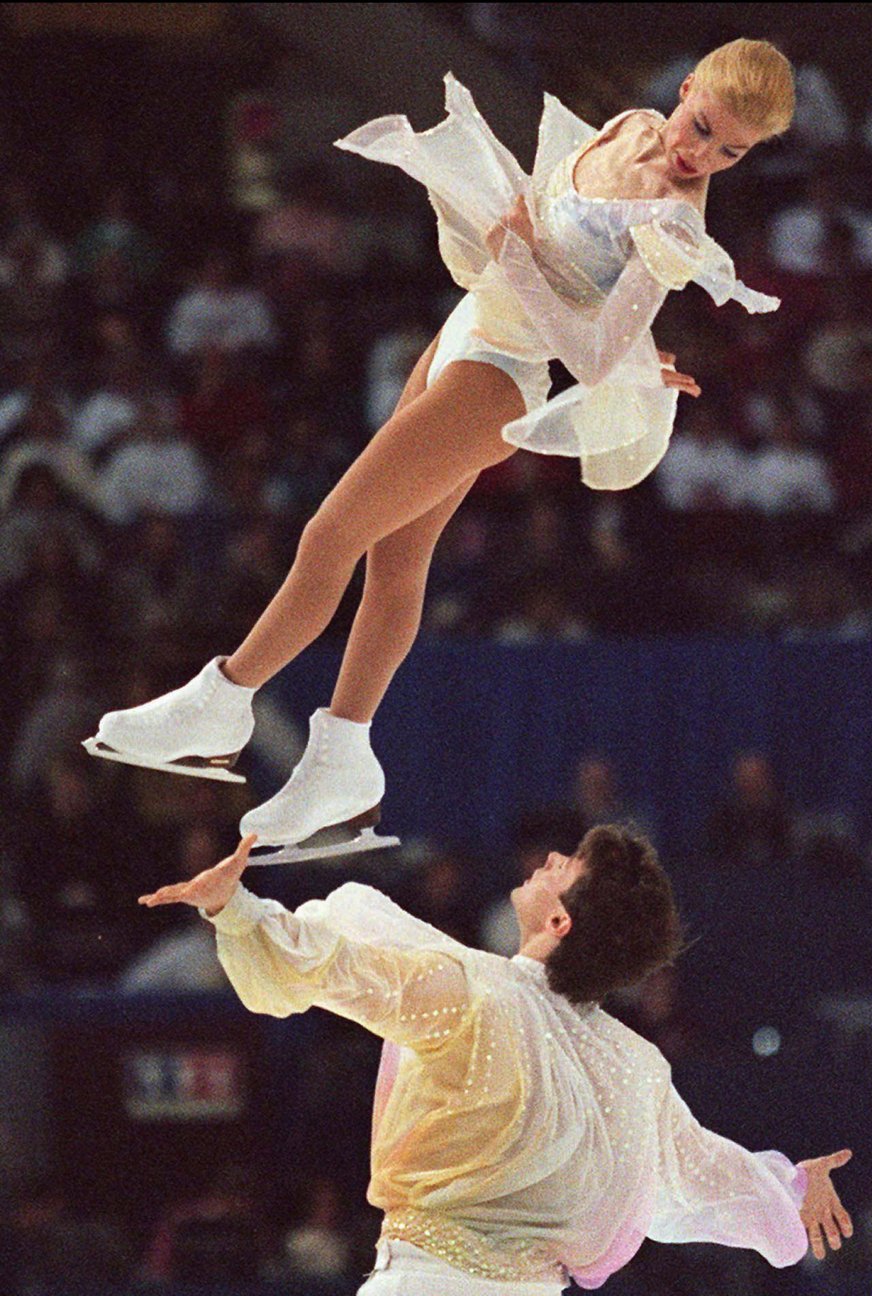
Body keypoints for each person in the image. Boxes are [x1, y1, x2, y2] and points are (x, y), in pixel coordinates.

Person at [92, 40, 794, 857]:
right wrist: (544, 278)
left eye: (729, 152)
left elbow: (592, 357)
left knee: (330, 532)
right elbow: (579, 265)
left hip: (504, 374)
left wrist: (527, 269)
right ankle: (342, 759)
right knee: (395, 558)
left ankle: (222, 699)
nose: (698, 153)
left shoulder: (678, 218)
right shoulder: (633, 123)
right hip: (470, 327)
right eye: (703, 126)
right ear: (684, 90)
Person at [139, 824, 854, 1293]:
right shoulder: (633, 1066)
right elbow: (699, 1170)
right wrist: (789, 1188)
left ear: (560, 921)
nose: (548, 858)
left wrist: (234, 911)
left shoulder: (476, 993)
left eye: (565, 864)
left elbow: (340, 968)